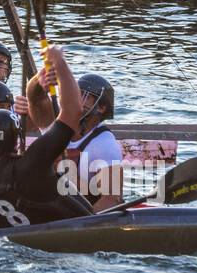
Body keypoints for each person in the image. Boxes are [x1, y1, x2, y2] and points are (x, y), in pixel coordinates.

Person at [0, 46, 90, 229]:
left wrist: (38, 81)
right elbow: (73, 110)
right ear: (16, 138)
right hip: (83, 237)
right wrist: (59, 63)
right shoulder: (34, 163)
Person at [27, 68, 125, 211]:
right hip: (48, 205)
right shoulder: (56, 123)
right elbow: (35, 99)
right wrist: (39, 80)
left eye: (83, 95)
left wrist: (78, 224)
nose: (72, 98)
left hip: (82, 214)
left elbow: (111, 200)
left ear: (101, 107)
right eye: (74, 92)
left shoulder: (105, 145)